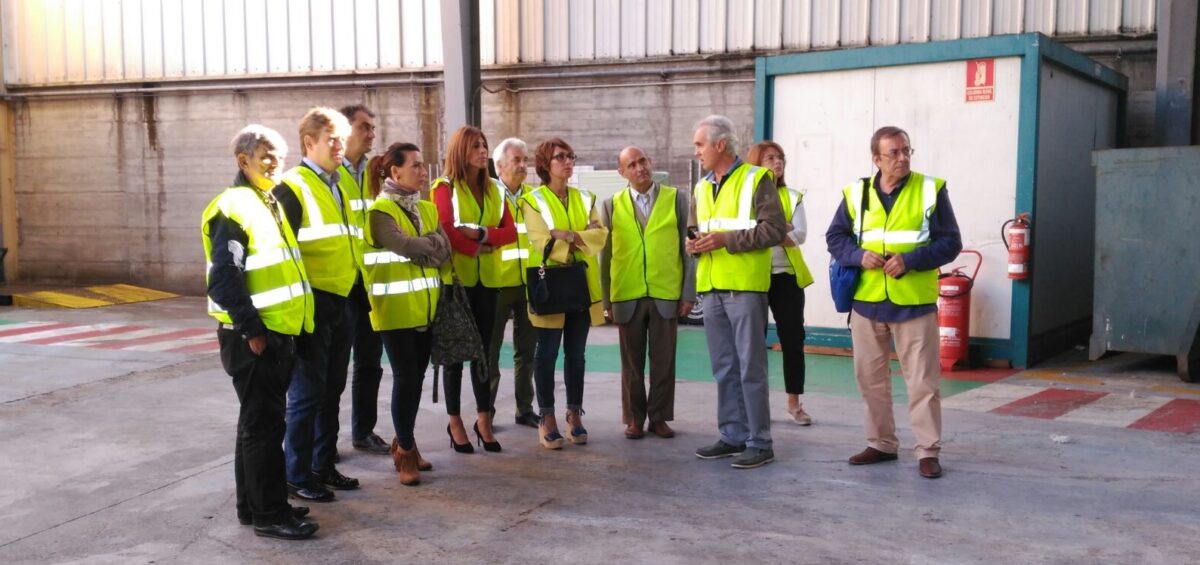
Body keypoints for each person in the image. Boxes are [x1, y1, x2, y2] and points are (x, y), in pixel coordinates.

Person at [825, 126, 962, 480]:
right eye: (894, 153)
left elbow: (950, 243)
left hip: (913, 304)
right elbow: (834, 236)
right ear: (876, 159)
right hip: (867, 302)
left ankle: (927, 450)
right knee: (870, 379)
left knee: (922, 382)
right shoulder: (856, 193)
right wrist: (857, 256)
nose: (902, 158)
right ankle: (882, 444)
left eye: (906, 151)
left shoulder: (930, 190)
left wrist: (910, 260)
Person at [201, 125, 318, 539]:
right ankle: (270, 514)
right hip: (254, 336)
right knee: (264, 428)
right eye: (267, 153)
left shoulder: (268, 202)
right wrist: (252, 330)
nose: (275, 161)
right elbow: (224, 278)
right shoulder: (233, 206)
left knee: (255, 425)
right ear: (243, 160)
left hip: (277, 332)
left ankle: (254, 506)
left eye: (279, 154)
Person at [686, 115, 788, 470]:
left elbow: (775, 229)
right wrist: (693, 244)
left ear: (720, 145)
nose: (696, 151)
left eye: (700, 144)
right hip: (711, 288)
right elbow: (695, 227)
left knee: (750, 368)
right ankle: (732, 434)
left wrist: (726, 241)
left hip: (744, 287)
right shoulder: (701, 187)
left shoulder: (757, 179)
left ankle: (760, 441)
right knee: (724, 367)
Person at [273, 107, 361, 502]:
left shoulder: (339, 185)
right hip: (312, 304)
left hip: (341, 301)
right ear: (309, 142)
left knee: (331, 390)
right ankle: (296, 474)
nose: (340, 146)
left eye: (343, 138)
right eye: (332, 139)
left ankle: (323, 466)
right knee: (307, 394)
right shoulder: (293, 187)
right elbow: (283, 253)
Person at [362, 142, 452, 486]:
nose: (422, 170)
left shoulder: (427, 209)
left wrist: (428, 246)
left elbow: (444, 252)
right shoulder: (380, 211)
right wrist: (431, 244)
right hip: (395, 311)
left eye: (423, 164)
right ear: (394, 172)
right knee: (406, 380)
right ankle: (404, 456)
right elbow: (404, 246)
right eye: (415, 165)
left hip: (426, 309)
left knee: (415, 381)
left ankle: (407, 443)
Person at [430, 126, 518, 454]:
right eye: (476, 147)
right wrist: (473, 246)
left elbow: (510, 232)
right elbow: (445, 231)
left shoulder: (496, 189)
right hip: (457, 284)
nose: (483, 151)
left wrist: (480, 235)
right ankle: (455, 422)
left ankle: (484, 419)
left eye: (485, 144)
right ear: (460, 151)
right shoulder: (444, 187)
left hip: (489, 283)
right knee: (455, 356)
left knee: (485, 354)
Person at [599, 146, 695, 440]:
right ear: (622, 172)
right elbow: (604, 257)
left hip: (666, 292)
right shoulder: (610, 205)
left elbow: (688, 250)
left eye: (643, 161)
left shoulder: (677, 199)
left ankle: (659, 417)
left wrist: (687, 293)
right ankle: (634, 419)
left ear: (650, 163)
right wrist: (607, 301)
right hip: (626, 294)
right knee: (631, 364)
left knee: (664, 361)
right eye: (631, 164)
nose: (639, 168)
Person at [521, 138, 608, 450]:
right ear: (546, 164)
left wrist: (569, 235)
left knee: (577, 356)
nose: (568, 161)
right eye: (560, 157)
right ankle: (546, 417)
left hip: (581, 287)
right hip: (550, 289)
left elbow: (600, 234)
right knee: (545, 355)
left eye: (571, 155)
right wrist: (579, 238)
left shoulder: (586, 197)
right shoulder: (532, 200)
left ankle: (574, 414)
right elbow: (540, 240)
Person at [747, 141, 815, 426]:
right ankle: (755, 405)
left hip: (787, 276)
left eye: (780, 158)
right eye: (770, 158)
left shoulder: (792, 196)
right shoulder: (745, 196)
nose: (777, 163)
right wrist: (780, 228)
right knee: (751, 343)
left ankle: (794, 403)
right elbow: (745, 232)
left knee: (792, 340)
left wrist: (774, 231)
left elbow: (799, 235)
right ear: (756, 164)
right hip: (754, 277)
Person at [336, 104, 390, 455]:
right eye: (364, 127)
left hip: (367, 282)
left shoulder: (373, 175)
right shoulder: (328, 174)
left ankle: (363, 430)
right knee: (333, 367)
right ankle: (321, 442)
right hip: (338, 283)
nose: (371, 133)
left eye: (372, 127)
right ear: (345, 130)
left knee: (370, 361)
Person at [486, 137, 540, 428]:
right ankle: (487, 411)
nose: (522, 166)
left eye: (524, 160)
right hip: (497, 284)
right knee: (490, 353)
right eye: (516, 160)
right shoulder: (488, 196)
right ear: (499, 166)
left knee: (526, 351)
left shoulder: (535, 197)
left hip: (528, 283)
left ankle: (524, 408)